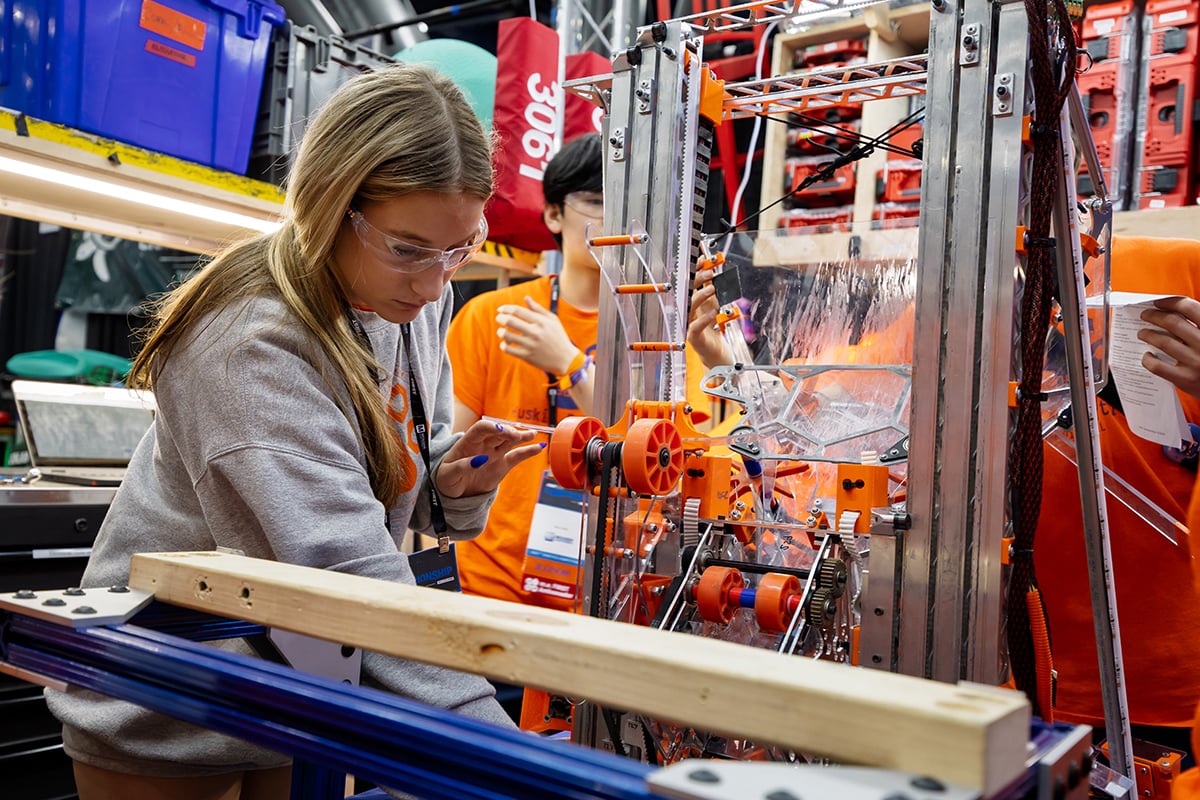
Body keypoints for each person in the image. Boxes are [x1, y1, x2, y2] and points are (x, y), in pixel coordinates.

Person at [45, 63, 541, 800]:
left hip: (298, 676)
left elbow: (364, 480)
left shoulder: (410, 297)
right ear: (331, 205)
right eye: (409, 249)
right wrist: (496, 755)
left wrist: (441, 481)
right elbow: (342, 562)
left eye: (458, 251)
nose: (437, 284)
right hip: (170, 699)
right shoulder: (248, 339)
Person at [1031, 236, 1200, 758]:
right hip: (1021, 670)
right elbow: (851, 382)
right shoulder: (965, 289)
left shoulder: (1174, 265)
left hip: (1166, 688)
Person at [447, 133, 605, 613]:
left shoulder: (659, 335)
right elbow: (449, 454)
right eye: (596, 202)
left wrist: (572, 367)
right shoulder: (492, 315)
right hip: (488, 588)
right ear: (554, 214)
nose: (613, 220)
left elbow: (657, 456)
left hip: (612, 596)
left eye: (628, 204)